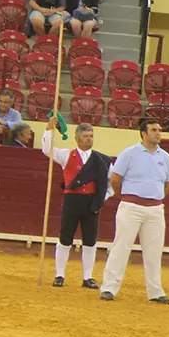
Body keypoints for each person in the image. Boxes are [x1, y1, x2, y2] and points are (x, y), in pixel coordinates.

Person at [99, 119, 169, 304]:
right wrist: (125, 197)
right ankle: (109, 287)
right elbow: (115, 180)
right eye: (154, 130)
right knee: (121, 247)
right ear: (143, 133)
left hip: (155, 209)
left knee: (154, 252)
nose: (158, 133)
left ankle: (155, 291)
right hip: (131, 206)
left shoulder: (165, 157)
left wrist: (154, 198)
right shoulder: (129, 153)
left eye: (159, 130)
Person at [42, 119, 112, 289]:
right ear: (77, 138)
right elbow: (47, 150)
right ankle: (59, 275)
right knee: (65, 238)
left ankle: (88, 277)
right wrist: (49, 130)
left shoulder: (102, 160)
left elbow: (112, 183)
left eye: (91, 135)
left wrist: (102, 199)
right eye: (86, 136)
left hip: (91, 202)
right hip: (72, 201)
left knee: (90, 240)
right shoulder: (67, 155)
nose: (89, 139)